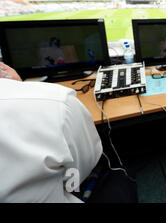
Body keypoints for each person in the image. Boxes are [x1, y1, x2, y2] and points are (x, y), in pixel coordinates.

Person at [0, 61, 103, 202]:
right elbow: (83, 166)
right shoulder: (58, 101)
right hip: (63, 193)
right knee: (118, 182)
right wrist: (17, 86)